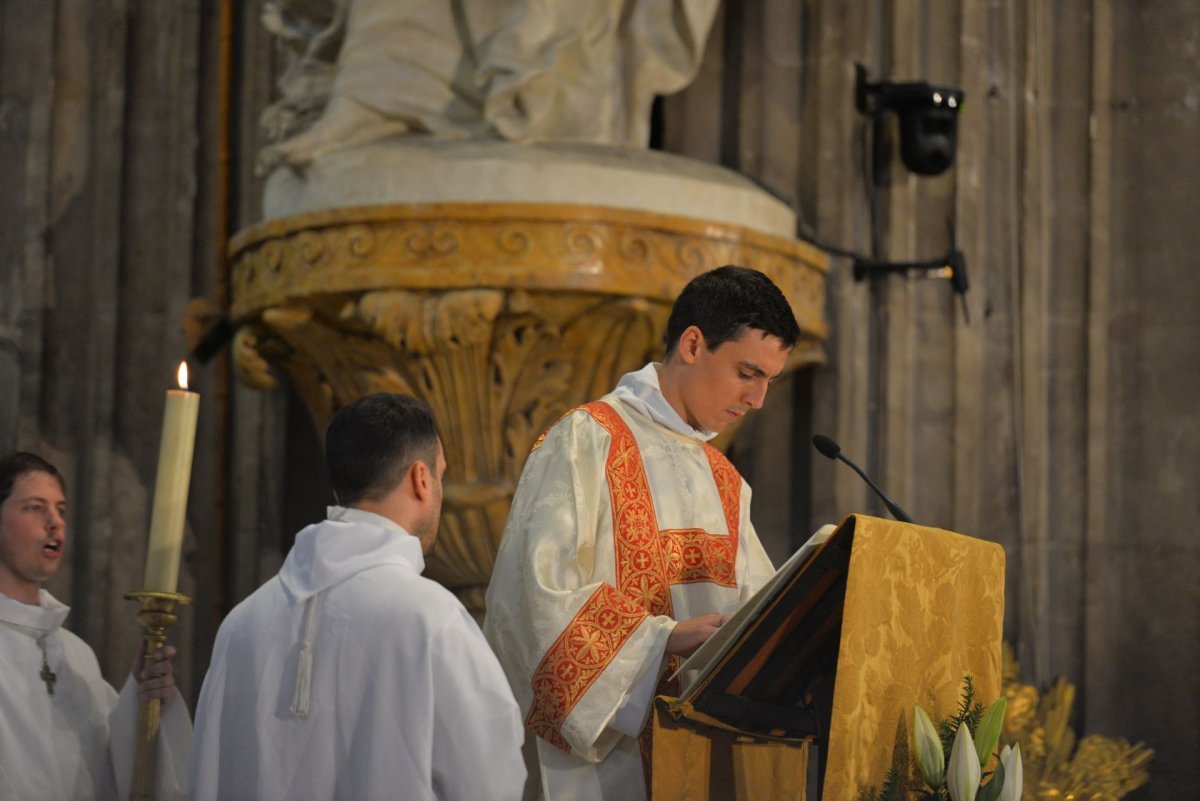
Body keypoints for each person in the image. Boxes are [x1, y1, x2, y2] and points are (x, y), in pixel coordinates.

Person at [483, 265, 801, 800]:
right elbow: (528, 603)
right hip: (610, 773)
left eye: (770, 380)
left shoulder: (725, 482)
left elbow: (758, 616)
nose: (758, 399)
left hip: (707, 768)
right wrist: (663, 640)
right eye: (747, 372)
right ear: (694, 344)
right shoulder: (587, 441)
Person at [191, 393, 527, 801]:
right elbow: (491, 782)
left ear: (339, 486)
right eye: (441, 474)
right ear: (421, 479)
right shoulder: (430, 620)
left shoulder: (240, 626)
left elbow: (205, 779)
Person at [0, 451, 191, 800]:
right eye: (34, 507)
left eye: (60, 509)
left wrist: (144, 698)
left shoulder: (76, 654)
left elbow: (113, 770)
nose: (54, 522)